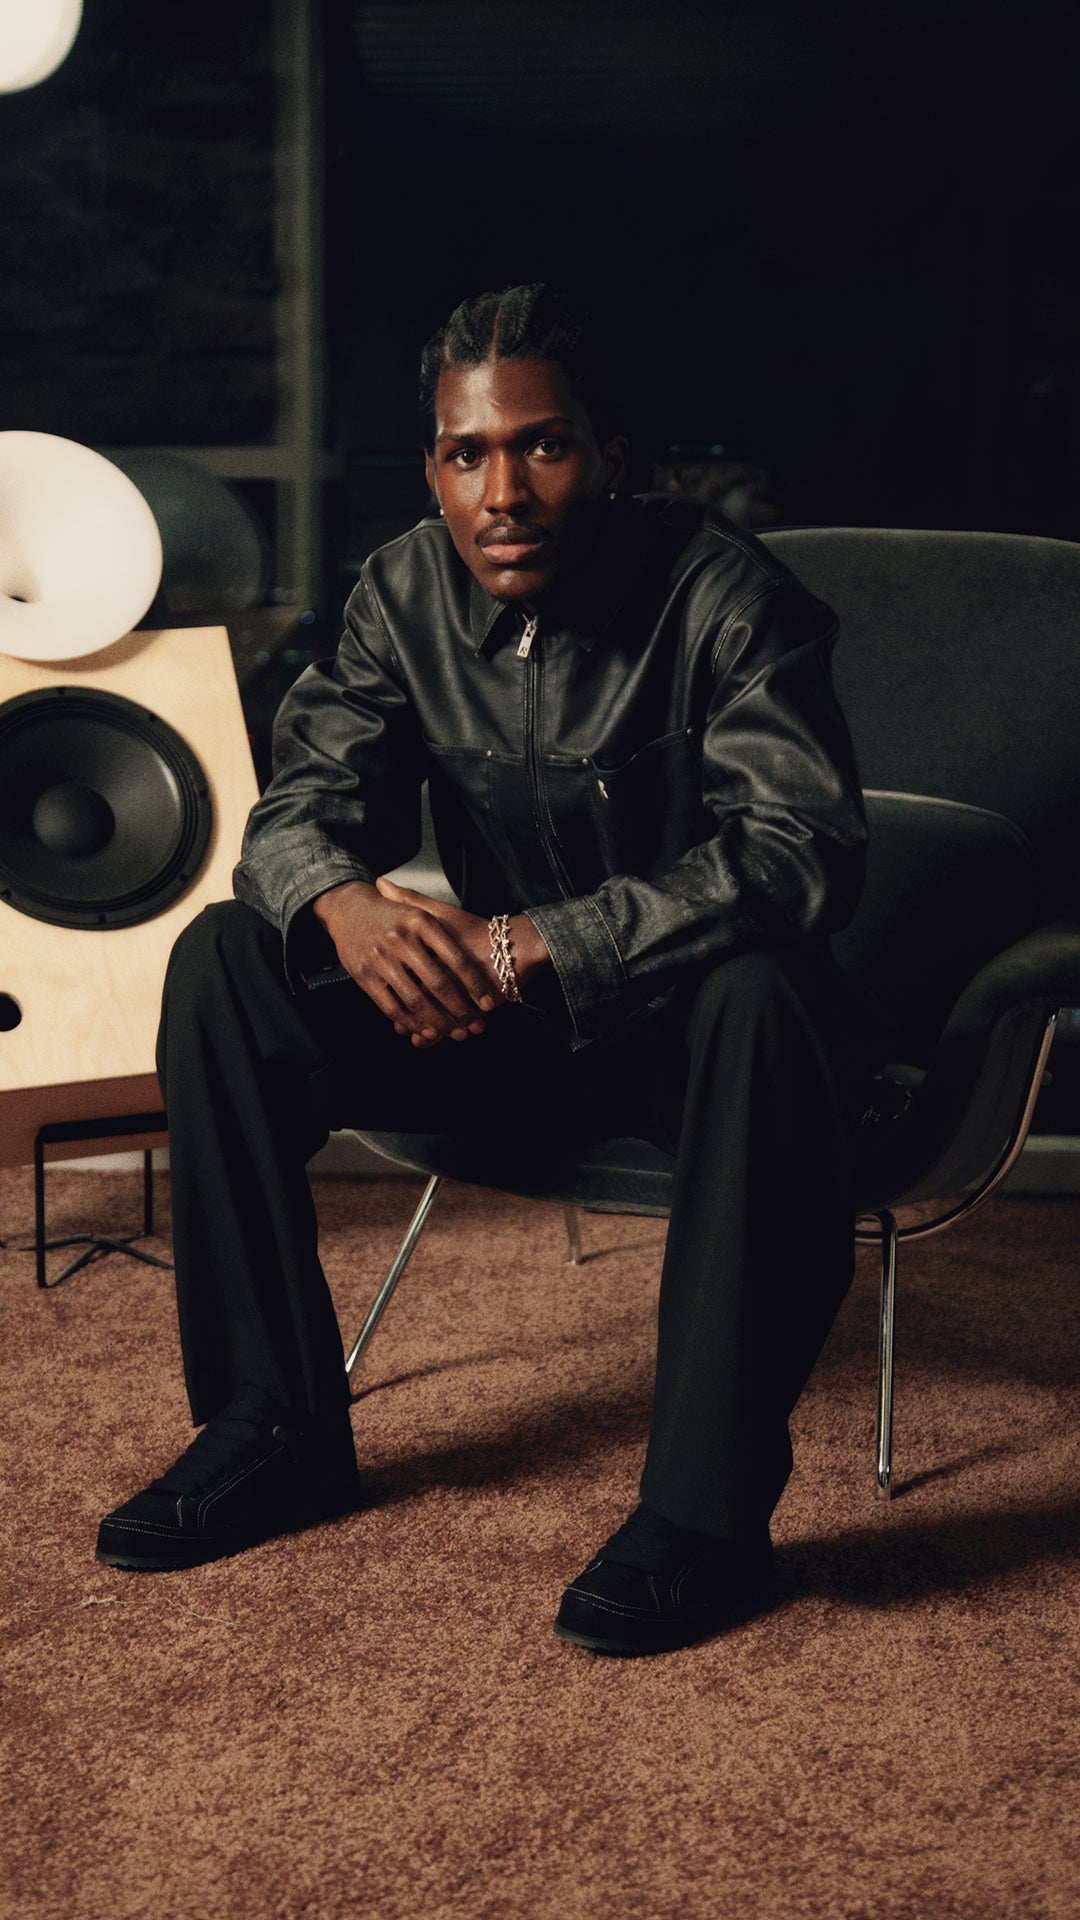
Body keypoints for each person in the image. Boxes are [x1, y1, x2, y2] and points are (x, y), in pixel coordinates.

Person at [96, 284, 883, 1657]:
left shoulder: (728, 598)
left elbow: (800, 851)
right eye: (468, 454)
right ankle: (272, 1427)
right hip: (502, 1032)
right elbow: (295, 812)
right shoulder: (401, 591)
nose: (502, 493)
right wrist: (341, 902)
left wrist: (537, 944)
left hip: (692, 1044)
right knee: (228, 959)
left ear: (614, 458)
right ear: (433, 469)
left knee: (765, 992)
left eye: (543, 446)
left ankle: (704, 1521)